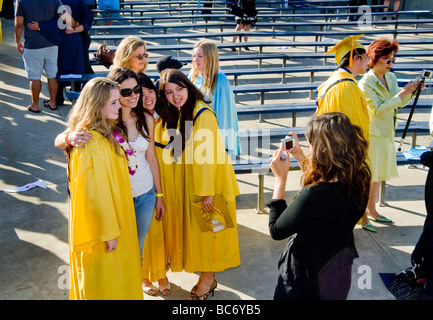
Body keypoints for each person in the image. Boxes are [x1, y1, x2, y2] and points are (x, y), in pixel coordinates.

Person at [268, 112, 371, 300]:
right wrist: (300, 156)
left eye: (310, 144)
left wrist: (279, 180)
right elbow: (328, 179)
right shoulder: (361, 178)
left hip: (305, 283)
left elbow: (276, 230)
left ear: (321, 150)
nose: (309, 149)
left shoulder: (312, 197)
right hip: (338, 274)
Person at [157, 69, 241, 300]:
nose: (175, 96)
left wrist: (207, 195)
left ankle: (207, 280)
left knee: (211, 234)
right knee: (204, 234)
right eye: (169, 92)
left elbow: (207, 159)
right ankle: (206, 277)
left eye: (180, 89)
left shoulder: (202, 113)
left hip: (210, 185)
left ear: (188, 87)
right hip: (197, 183)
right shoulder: (181, 112)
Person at [64, 77, 143, 299]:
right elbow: (94, 192)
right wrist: (108, 233)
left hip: (118, 218)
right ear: (97, 105)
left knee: (117, 280)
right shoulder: (89, 141)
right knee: (105, 283)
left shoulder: (104, 132)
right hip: (104, 229)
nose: (120, 106)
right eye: (114, 103)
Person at [358, 38, 423, 232]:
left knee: (378, 175)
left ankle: (372, 209)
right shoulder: (365, 83)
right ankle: (362, 215)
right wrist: (403, 93)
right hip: (373, 134)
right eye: (387, 60)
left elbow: (398, 103)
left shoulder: (391, 78)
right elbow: (377, 110)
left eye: (393, 60)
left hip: (387, 132)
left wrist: (412, 92)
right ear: (375, 59)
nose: (390, 64)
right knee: (368, 175)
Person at [135, 72, 170, 296]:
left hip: (168, 177)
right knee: (147, 231)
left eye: (151, 91)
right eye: (142, 93)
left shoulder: (166, 114)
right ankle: (145, 275)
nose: (148, 97)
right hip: (146, 180)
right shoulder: (133, 118)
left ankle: (161, 272)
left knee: (161, 231)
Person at [27, 0, 94, 106]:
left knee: (59, 68)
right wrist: (77, 28)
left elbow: (58, 21)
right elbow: (87, 19)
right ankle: (75, 95)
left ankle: (58, 98)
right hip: (76, 38)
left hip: (60, 39)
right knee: (75, 66)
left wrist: (41, 26)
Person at [189, 40, 241, 157]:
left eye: (200, 56)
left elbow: (224, 117)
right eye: (194, 56)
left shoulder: (221, 81)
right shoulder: (193, 76)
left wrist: (220, 144)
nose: (195, 60)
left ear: (210, 58)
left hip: (212, 133)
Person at [14, 0, 66, 113]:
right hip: (51, 43)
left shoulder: (22, 1)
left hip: (32, 44)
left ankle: (35, 105)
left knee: (35, 76)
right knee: (52, 75)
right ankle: (52, 102)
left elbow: (19, 23)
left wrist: (18, 41)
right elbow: (64, 17)